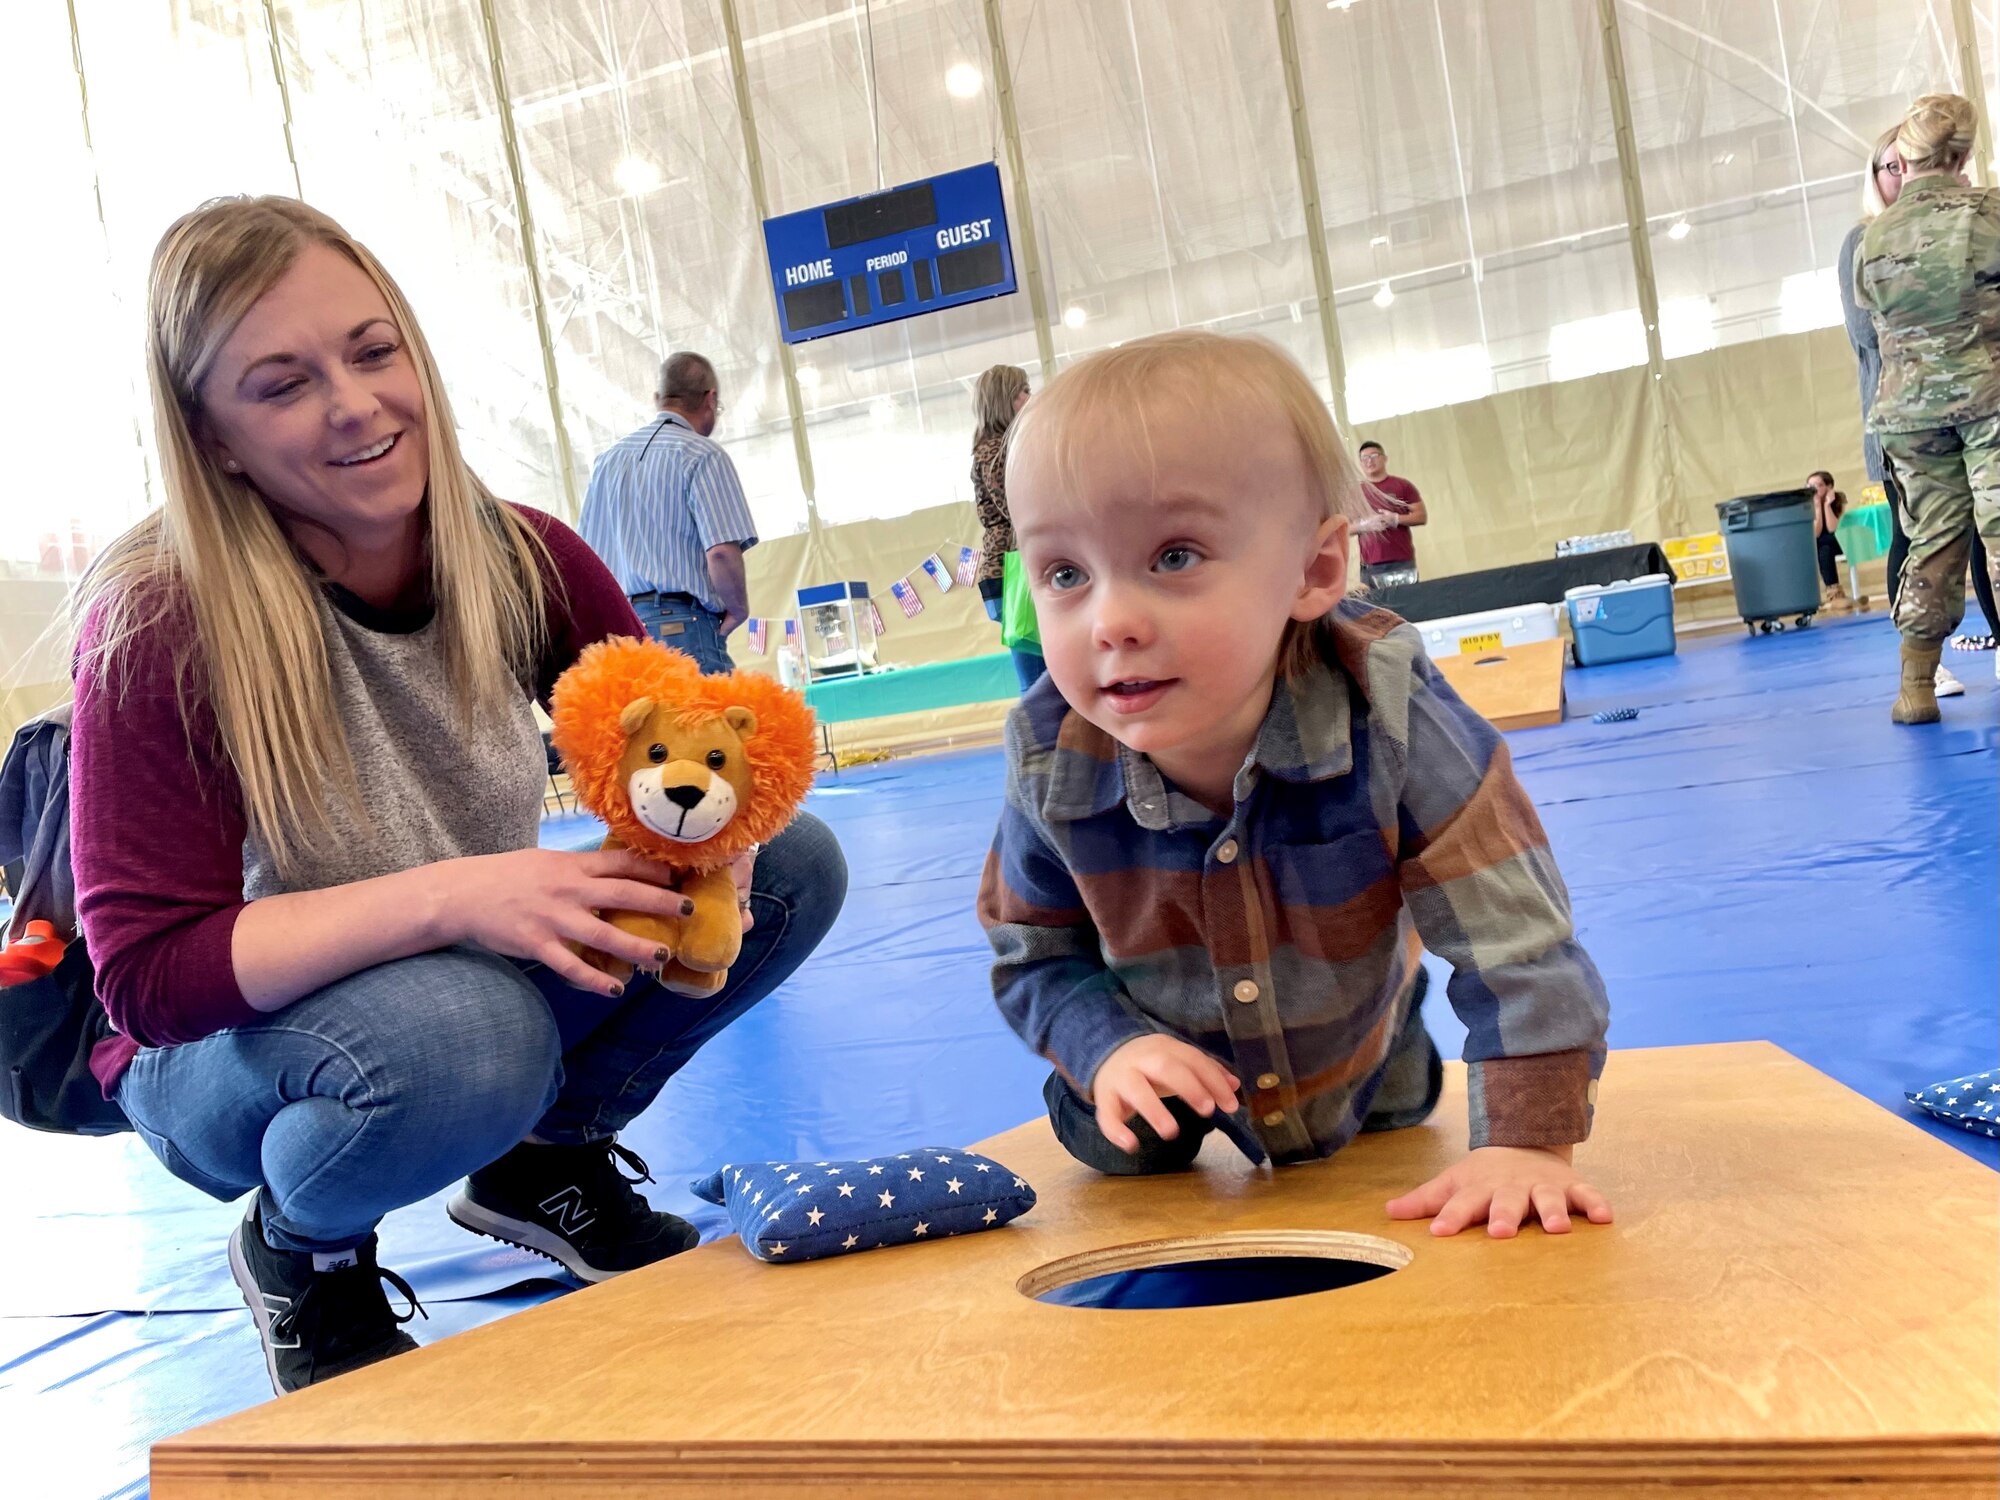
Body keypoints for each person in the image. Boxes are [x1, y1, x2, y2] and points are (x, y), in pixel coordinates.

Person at [69, 198, 847, 1395]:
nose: (355, 405)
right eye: (281, 385)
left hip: (453, 965)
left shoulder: (522, 556)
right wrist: (457, 896)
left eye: (372, 352)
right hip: (216, 1054)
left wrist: (718, 842)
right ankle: (303, 1252)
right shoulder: (164, 618)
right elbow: (151, 979)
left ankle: (547, 1160)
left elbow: (687, 754)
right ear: (213, 438)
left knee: (789, 871)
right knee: (466, 1034)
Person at [978, 331, 1612, 1240]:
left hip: (1358, 1059)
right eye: (1065, 574)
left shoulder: (1388, 712)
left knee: (1390, 1110)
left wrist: (1528, 1144)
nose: (1111, 621)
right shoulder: (1049, 752)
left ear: (1315, 571)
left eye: (1175, 557)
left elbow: (1517, 939)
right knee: (1125, 1149)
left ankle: (1386, 1054)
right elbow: (1032, 954)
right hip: (1157, 1070)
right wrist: (1107, 1048)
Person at [1854, 94, 2000, 717]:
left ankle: (1916, 688)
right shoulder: (1987, 213)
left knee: (1932, 540)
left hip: (1909, 414)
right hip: (1988, 396)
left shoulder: (1873, 236)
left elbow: (1871, 313)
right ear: (1964, 154)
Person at [578, 351, 756, 676]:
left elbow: (587, 563)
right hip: (684, 627)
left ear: (658, 399)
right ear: (711, 399)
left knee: (648, 725)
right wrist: (738, 609)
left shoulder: (606, 463)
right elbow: (720, 553)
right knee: (711, 724)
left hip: (621, 633)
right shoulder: (703, 455)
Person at [971, 364, 1046, 694]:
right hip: (1012, 570)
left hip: (1006, 570)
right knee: (1040, 679)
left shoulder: (990, 448)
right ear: (1006, 401)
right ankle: (1039, 743)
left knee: (1043, 673)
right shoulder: (998, 450)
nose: (1030, 398)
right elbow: (1017, 506)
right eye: (1023, 392)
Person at [1354, 440, 1425, 589]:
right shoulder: (1356, 492)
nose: (1369, 461)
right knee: (1376, 610)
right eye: (1364, 458)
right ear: (1360, 463)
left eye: (1374, 456)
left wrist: (1396, 519)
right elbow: (1344, 527)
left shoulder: (1402, 486)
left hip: (1401, 561)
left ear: (1384, 458)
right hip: (1371, 565)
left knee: (1409, 603)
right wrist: (1364, 525)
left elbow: (1421, 516)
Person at [1805, 470, 1857, 616]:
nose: (1814, 490)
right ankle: (1835, 594)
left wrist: (1827, 505)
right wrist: (1816, 507)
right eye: (1810, 486)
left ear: (1829, 487)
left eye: (1819, 485)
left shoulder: (1838, 500)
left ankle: (1834, 594)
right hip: (1821, 546)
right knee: (1823, 547)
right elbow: (1815, 532)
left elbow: (1833, 528)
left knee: (1824, 542)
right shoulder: (1805, 505)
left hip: (1838, 541)